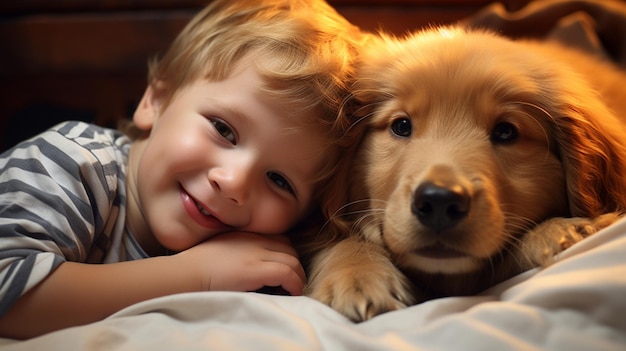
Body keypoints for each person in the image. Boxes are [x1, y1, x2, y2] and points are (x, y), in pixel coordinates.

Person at [0, 0, 364, 339]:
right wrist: (196, 275)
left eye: (279, 180)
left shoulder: (249, 252)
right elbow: (8, 292)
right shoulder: (73, 161)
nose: (234, 182)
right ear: (155, 100)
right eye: (223, 129)